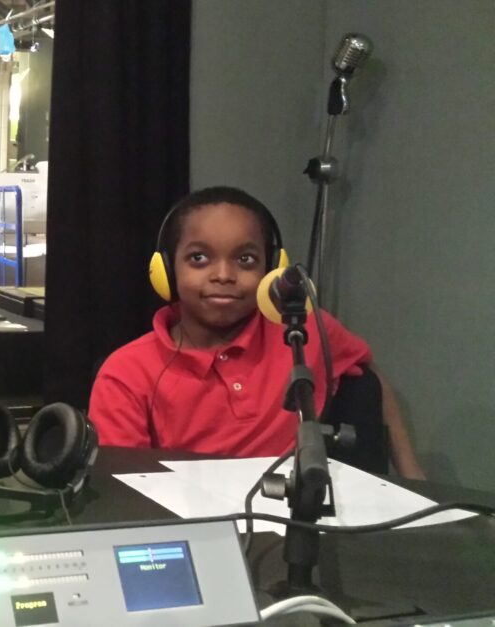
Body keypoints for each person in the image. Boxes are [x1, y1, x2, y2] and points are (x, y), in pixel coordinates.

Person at [88, 186, 426, 478]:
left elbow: (370, 380)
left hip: (290, 525)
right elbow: (124, 488)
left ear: (273, 268)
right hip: (192, 534)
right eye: (199, 258)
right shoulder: (126, 373)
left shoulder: (303, 330)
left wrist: (416, 481)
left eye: (246, 260)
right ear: (165, 270)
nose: (223, 274)